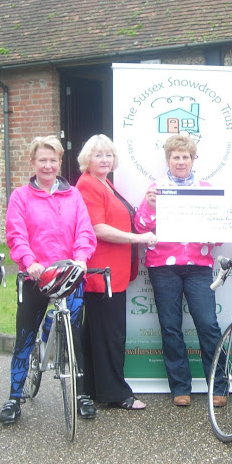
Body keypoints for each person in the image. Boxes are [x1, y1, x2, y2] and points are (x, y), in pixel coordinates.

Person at [0, 135, 97, 425]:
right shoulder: (21, 197)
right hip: (35, 277)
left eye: (53, 159)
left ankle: (80, 394)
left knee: (76, 336)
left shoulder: (73, 195)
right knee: (25, 338)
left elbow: (85, 231)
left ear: (59, 163)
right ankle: (14, 398)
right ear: (32, 163)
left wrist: (81, 258)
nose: (48, 165)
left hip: (69, 276)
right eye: (42, 160)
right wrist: (29, 262)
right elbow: (16, 234)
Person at [134, 135, 227, 407]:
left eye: (185, 156)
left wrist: (214, 236)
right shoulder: (155, 189)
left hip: (198, 266)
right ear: (168, 160)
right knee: (171, 327)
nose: (181, 161)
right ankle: (180, 387)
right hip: (163, 267)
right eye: (175, 156)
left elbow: (219, 230)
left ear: (193, 159)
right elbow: (140, 227)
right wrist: (151, 207)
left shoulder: (206, 188)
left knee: (208, 325)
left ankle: (218, 386)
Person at [76, 135, 157, 411]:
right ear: (87, 158)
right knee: (110, 335)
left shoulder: (105, 183)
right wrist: (138, 239)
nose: (104, 160)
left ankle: (92, 389)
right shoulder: (88, 185)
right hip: (102, 274)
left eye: (108, 155)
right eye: (98, 155)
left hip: (114, 272)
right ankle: (116, 393)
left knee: (97, 334)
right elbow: (97, 229)